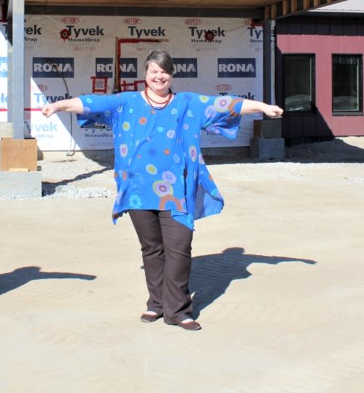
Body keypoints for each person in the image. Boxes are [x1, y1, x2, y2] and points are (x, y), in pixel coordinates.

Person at [42, 49, 283, 331]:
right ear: (145, 74)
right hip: (136, 190)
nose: (159, 76)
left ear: (171, 75)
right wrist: (58, 106)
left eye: (164, 71)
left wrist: (263, 108)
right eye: (153, 71)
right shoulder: (125, 102)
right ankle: (156, 304)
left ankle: (178, 310)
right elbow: (90, 103)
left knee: (179, 248)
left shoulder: (187, 104)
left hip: (175, 192)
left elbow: (225, 105)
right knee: (152, 249)